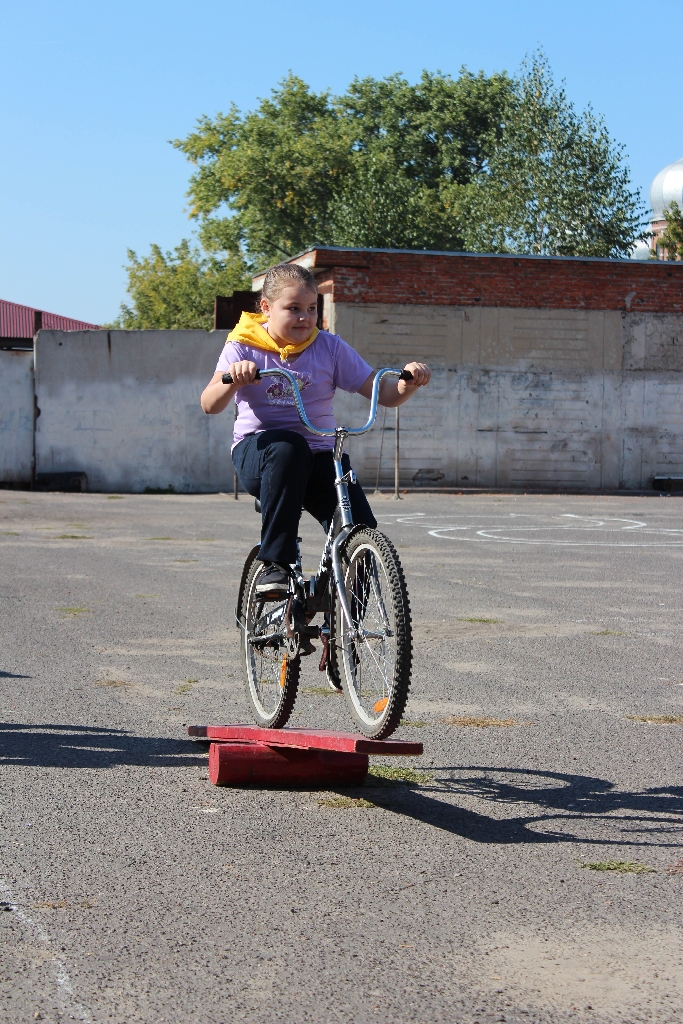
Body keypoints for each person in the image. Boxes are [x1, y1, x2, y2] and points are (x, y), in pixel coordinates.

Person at [200, 263, 430, 596]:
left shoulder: (329, 347)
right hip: (260, 454)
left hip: (320, 454)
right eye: (293, 308)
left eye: (311, 309)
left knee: (360, 528)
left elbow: (385, 394)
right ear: (266, 307)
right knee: (289, 447)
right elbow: (209, 404)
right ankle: (276, 564)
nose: (305, 318)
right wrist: (233, 379)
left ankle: (347, 616)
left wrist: (408, 383)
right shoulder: (243, 346)